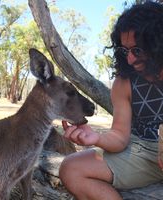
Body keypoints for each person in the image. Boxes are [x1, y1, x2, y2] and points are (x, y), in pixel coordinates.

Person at [59, 1, 163, 200]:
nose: (130, 59)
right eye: (125, 51)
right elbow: (120, 137)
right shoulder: (124, 82)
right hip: (141, 152)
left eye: (137, 50)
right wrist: (96, 138)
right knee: (70, 168)